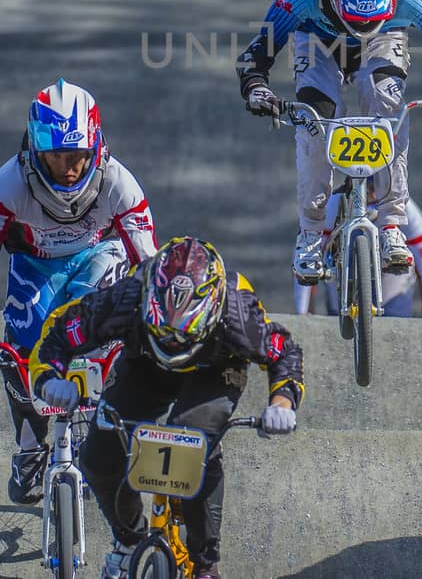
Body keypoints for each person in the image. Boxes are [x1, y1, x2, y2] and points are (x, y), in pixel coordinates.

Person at [30, 236, 302, 579]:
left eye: (183, 336)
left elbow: (284, 352)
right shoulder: (126, 298)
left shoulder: (238, 314)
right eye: (165, 333)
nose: (174, 342)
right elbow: (58, 331)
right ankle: (128, 539)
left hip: (216, 370)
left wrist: (282, 402)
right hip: (145, 365)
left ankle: (205, 563)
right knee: (99, 456)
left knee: (194, 444)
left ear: (213, 312)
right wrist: (51, 379)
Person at [0, 79, 157, 504]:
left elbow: (148, 265)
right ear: (34, 152)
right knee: (20, 349)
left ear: (95, 147)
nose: (69, 168)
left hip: (97, 256)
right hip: (34, 266)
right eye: (57, 157)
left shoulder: (119, 183)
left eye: (77, 156)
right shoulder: (6, 185)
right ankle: (30, 448)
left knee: (110, 334)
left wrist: (156, 317)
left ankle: (111, 423)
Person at [236, 0, 422, 287]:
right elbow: (255, 55)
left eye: (371, 18)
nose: (363, 27)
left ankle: (392, 225)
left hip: (386, 41)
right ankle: (309, 233)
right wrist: (257, 88)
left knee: (388, 104)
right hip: (317, 41)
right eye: (357, 19)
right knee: (312, 118)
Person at [296, 196, 422, 318]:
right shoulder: (333, 204)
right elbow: (308, 259)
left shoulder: (408, 210)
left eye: (374, 183)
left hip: (391, 296)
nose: (370, 190)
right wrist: (303, 314)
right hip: (343, 298)